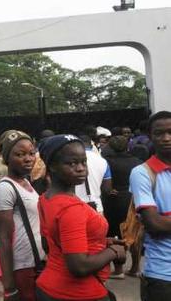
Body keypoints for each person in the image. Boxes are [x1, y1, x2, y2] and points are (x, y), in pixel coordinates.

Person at [35, 135, 125, 301]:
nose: (81, 168)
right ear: (52, 166)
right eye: (72, 163)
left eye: (83, 162)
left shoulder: (45, 199)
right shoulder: (71, 209)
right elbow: (79, 266)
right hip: (78, 293)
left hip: (49, 286)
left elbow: (49, 244)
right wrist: (113, 252)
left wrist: (101, 243)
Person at [0, 130, 45, 301]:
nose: (29, 158)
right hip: (24, 267)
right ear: (7, 158)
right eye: (20, 154)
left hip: (38, 263)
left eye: (31, 153)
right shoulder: (5, 188)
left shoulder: (26, 183)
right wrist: (9, 287)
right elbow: (4, 239)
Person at [130, 111, 171, 300]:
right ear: (150, 136)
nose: (166, 138)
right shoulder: (142, 173)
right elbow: (154, 223)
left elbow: (162, 223)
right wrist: (159, 222)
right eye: (159, 133)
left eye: (170, 132)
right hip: (162, 274)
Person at [102, 135, 142, 278]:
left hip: (113, 200)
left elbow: (105, 184)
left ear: (110, 147)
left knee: (115, 234)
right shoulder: (137, 161)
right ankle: (135, 268)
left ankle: (118, 270)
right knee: (134, 234)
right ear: (128, 146)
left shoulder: (106, 162)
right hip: (133, 200)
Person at [74, 128, 113, 214]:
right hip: (97, 207)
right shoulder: (102, 161)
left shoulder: (70, 162)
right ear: (92, 145)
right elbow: (107, 189)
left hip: (75, 207)